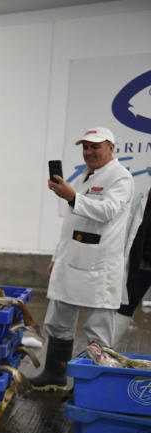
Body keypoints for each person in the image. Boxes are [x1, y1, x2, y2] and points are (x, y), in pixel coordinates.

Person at [32, 126, 135, 390]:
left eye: (95, 146)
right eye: (85, 147)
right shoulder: (85, 177)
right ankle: (55, 374)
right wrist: (58, 257)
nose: (88, 152)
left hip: (98, 268)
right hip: (70, 262)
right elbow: (71, 224)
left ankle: (93, 388)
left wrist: (72, 197)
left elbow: (108, 211)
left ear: (111, 148)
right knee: (58, 322)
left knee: (98, 333)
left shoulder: (120, 178)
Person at [114, 180, 151, 345]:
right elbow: (130, 227)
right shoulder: (143, 195)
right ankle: (103, 353)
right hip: (141, 262)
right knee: (125, 306)